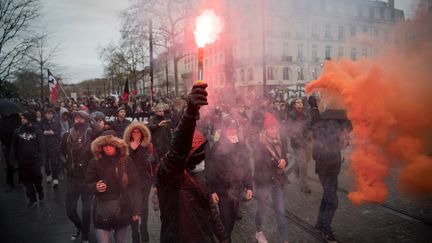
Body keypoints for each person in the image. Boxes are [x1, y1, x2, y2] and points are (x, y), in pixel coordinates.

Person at [156, 83, 229, 243]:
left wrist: (224, 238)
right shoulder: (167, 173)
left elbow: (212, 211)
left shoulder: (200, 178)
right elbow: (178, 152)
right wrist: (189, 114)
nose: (200, 158)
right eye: (195, 153)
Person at [86, 133, 141, 243]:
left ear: (117, 145)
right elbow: (87, 184)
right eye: (104, 145)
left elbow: (135, 186)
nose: (107, 147)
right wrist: (95, 186)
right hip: (101, 209)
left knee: (120, 240)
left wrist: (136, 209)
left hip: (122, 207)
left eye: (111, 145)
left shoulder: (126, 161)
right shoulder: (94, 162)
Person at [206, 117, 253, 240]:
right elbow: (211, 169)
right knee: (225, 220)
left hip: (237, 189)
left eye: (234, 129)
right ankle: (226, 240)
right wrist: (213, 190)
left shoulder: (242, 145)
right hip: (222, 190)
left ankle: (226, 237)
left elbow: (247, 167)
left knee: (232, 218)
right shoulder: (217, 146)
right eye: (229, 129)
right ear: (224, 130)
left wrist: (249, 186)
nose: (232, 132)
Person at [60, 110, 101, 242]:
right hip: (73, 178)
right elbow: (60, 152)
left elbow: (99, 130)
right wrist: (66, 163)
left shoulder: (90, 133)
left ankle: (85, 237)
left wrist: (90, 118)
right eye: (76, 117)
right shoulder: (66, 135)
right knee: (70, 210)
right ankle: (79, 226)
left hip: (87, 178)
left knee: (86, 210)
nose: (78, 120)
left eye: (81, 118)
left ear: (85, 120)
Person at [311, 106, 351, 243]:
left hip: (333, 169)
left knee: (327, 196)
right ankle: (326, 230)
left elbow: (348, 130)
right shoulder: (322, 130)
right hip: (325, 170)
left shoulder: (333, 128)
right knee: (333, 201)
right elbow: (315, 153)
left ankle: (319, 224)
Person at [253, 112, 289, 243]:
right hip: (263, 182)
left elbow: (285, 158)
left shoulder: (280, 141)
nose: (273, 130)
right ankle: (259, 232)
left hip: (277, 182)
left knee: (280, 210)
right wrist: (278, 163)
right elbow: (260, 163)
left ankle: (285, 240)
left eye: (275, 128)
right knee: (262, 209)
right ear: (265, 130)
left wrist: (284, 160)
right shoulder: (259, 144)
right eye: (271, 128)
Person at [123, 122, 156, 243]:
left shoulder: (148, 145)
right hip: (131, 183)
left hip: (145, 181)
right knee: (133, 206)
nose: (136, 134)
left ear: (142, 133)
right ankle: (135, 233)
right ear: (130, 133)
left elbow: (153, 163)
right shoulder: (126, 146)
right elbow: (125, 164)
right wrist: (132, 150)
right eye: (134, 131)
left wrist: (155, 183)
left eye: (138, 131)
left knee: (143, 206)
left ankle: (143, 228)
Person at [9, 112, 45, 207]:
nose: (22, 120)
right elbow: (14, 146)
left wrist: (42, 159)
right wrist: (13, 160)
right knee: (26, 182)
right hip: (22, 162)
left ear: (29, 119)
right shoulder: (17, 132)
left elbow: (41, 146)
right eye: (21, 118)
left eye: (24, 118)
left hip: (35, 161)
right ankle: (32, 199)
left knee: (37, 180)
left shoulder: (37, 131)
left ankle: (40, 192)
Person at [287, 97, 312, 193]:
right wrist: (296, 138)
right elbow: (289, 129)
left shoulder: (305, 115)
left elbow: (308, 127)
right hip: (297, 143)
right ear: (294, 105)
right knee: (303, 164)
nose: (300, 104)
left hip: (305, 142)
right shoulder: (291, 115)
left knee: (301, 161)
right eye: (298, 102)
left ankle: (292, 172)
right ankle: (304, 185)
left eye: (301, 102)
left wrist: (309, 135)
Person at [40, 108, 61, 188]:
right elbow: (39, 132)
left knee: (54, 162)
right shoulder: (41, 123)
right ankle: (48, 174)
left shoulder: (56, 122)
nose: (49, 115)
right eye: (48, 113)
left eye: (51, 113)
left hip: (53, 145)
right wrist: (43, 132)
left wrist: (53, 133)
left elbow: (59, 133)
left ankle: (55, 179)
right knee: (45, 162)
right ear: (45, 114)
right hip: (44, 145)